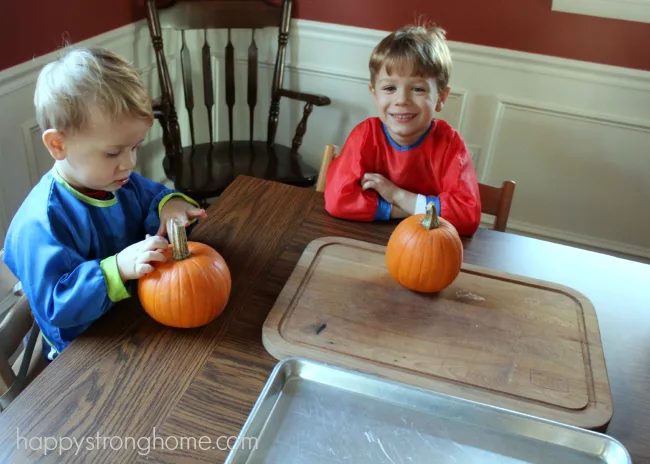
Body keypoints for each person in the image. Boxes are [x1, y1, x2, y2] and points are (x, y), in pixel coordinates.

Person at [2, 47, 206, 363]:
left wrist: (172, 206)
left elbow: (155, 198)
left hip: (135, 320)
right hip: (86, 353)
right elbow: (57, 305)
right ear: (58, 144)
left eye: (135, 147)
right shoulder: (42, 223)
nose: (129, 163)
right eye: (113, 153)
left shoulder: (117, 181)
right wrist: (119, 268)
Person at [324, 23, 481, 236]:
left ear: (440, 98)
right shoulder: (365, 136)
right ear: (375, 94)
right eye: (390, 88)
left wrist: (398, 195)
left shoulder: (450, 144)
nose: (402, 100)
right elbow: (338, 200)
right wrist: (409, 210)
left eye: (417, 89)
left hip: (429, 246)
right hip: (366, 239)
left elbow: (467, 215)